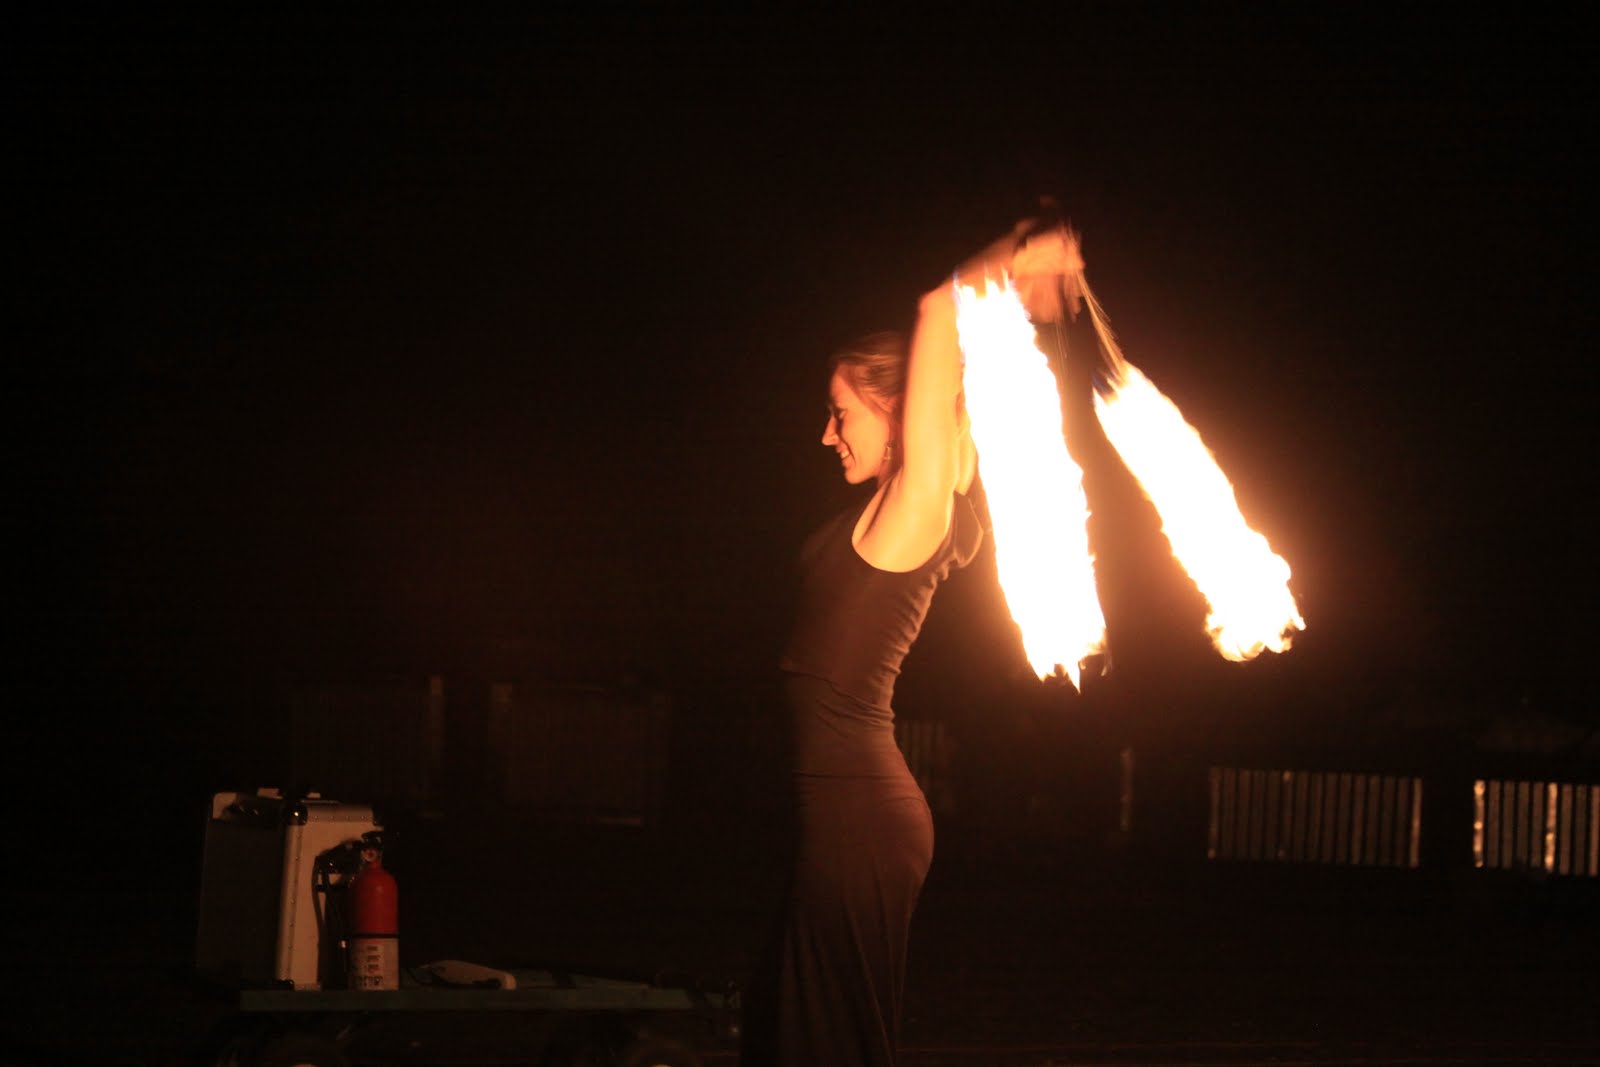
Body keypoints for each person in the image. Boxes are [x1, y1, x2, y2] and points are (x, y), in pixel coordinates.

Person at [740, 218, 1080, 1066]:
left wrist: (1022, 248)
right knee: (790, 1028)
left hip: (858, 813)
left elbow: (939, 305)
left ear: (897, 410)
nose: (828, 433)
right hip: (841, 813)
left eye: (841, 412)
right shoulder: (896, 501)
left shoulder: (920, 502)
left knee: (832, 1042)